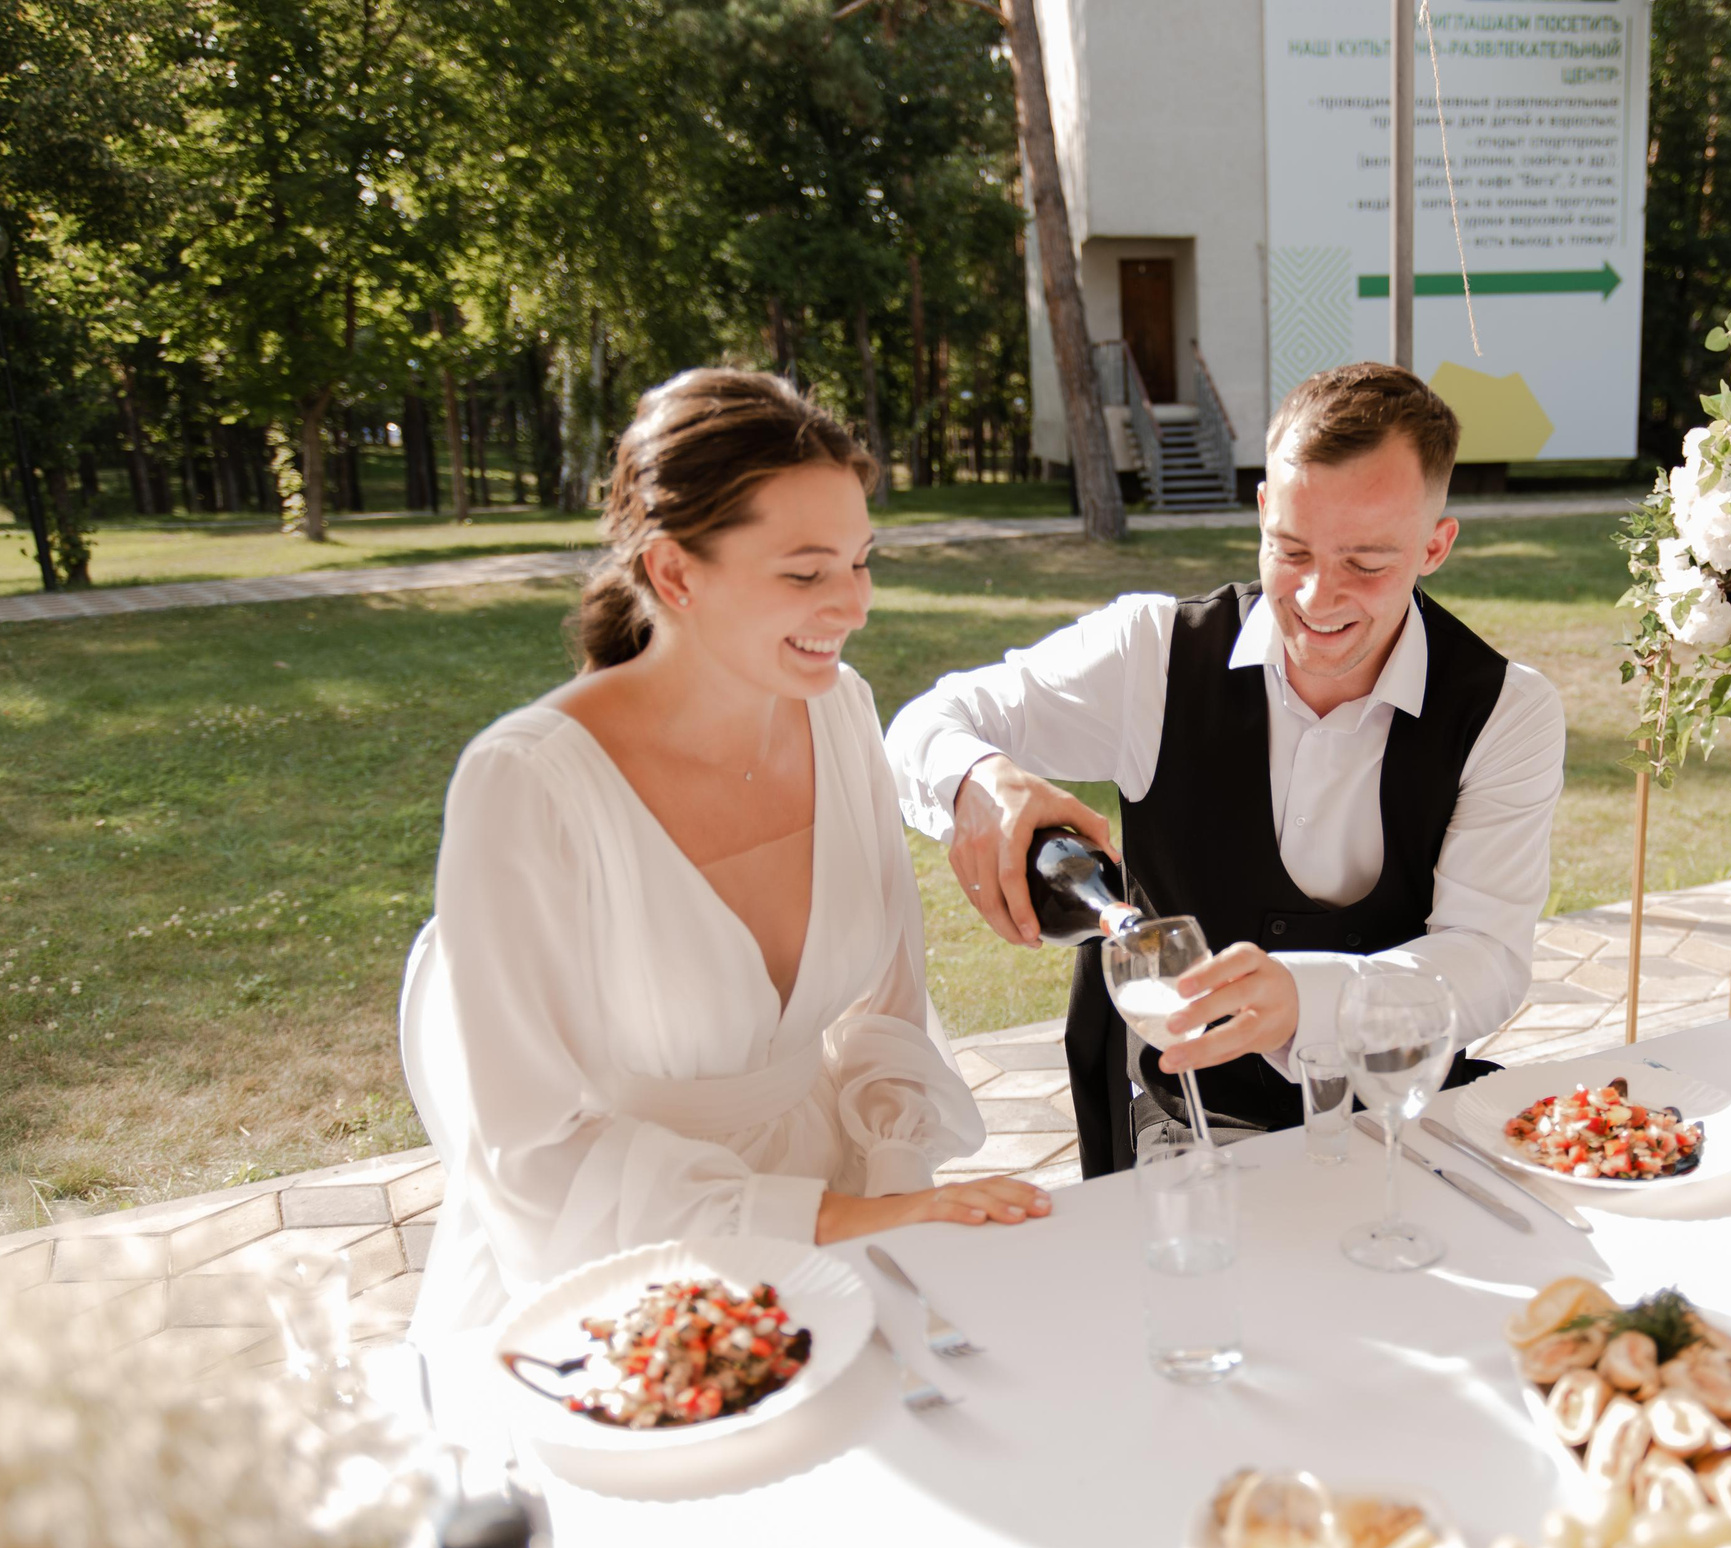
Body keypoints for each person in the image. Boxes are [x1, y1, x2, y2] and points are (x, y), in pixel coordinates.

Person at [401, 368, 1048, 1342]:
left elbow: (888, 1009)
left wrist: (894, 1195)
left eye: (863, 560)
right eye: (805, 572)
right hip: (619, 1259)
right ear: (672, 574)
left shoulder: (840, 712)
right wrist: (830, 1222)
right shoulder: (526, 786)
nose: (855, 604)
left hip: (841, 1213)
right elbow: (531, 1154)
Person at [886, 363, 1565, 1176]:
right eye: (1292, 548)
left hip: (1405, 1115)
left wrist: (1307, 998)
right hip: (1200, 1125)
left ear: (1435, 545)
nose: (1318, 597)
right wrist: (979, 781)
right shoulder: (1152, 655)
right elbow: (926, 722)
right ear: (1261, 512)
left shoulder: (1506, 710)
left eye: (1367, 563)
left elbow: (1486, 958)